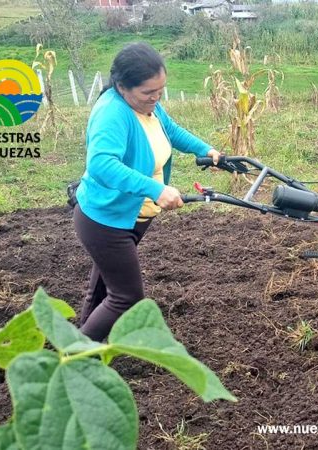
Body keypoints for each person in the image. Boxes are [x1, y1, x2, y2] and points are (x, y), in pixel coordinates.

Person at [73, 42, 220, 341]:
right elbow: (101, 164)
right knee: (125, 297)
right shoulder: (112, 113)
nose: (156, 98)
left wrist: (204, 149)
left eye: (160, 91)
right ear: (122, 86)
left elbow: (171, 129)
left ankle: (82, 345)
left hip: (129, 218)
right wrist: (155, 189)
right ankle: (72, 362)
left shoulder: (146, 105)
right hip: (105, 221)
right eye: (148, 93)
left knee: (103, 290)